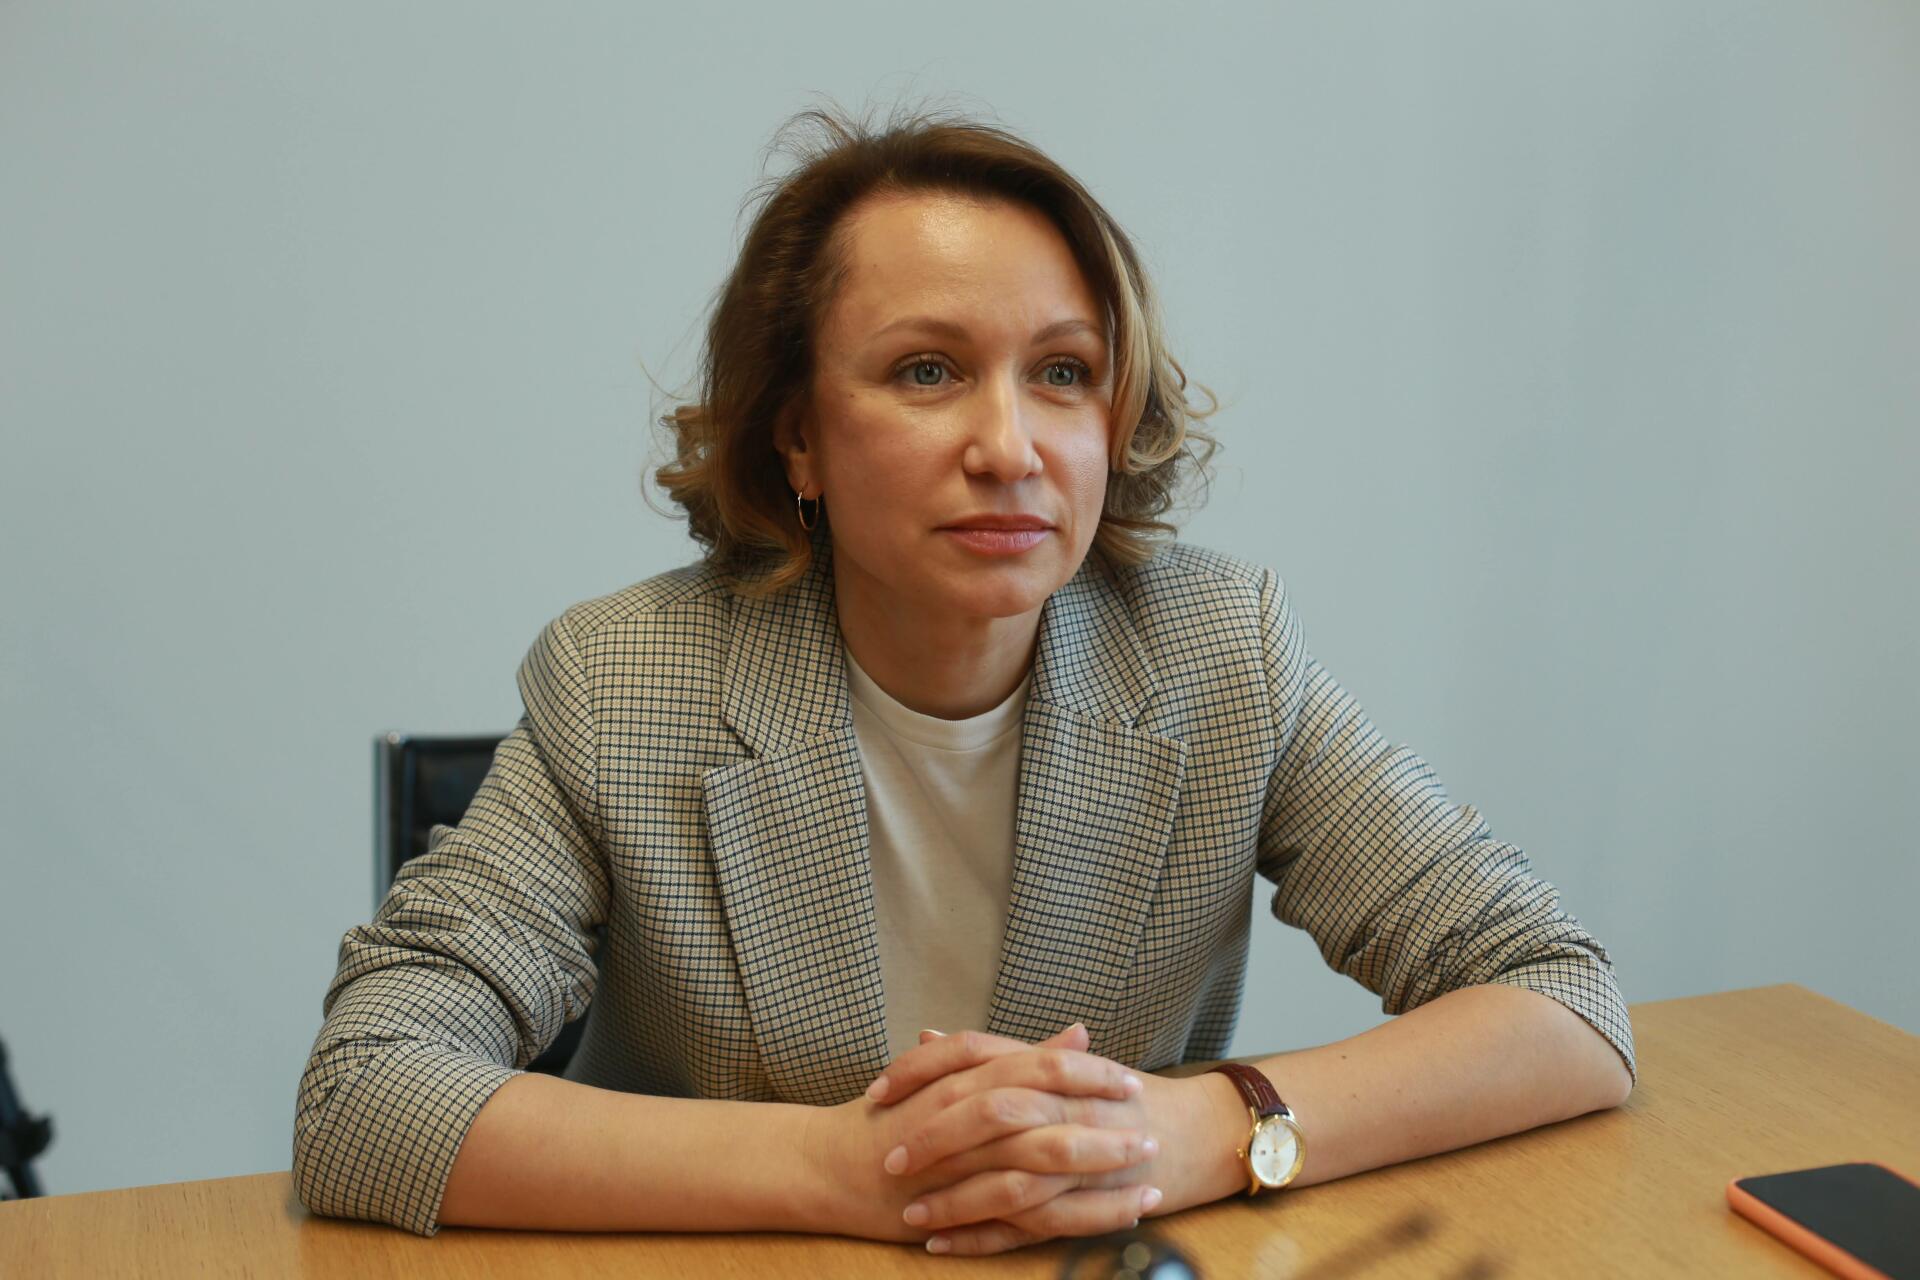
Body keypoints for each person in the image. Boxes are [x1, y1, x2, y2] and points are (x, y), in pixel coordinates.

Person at [292, 101, 1635, 1258]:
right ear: (800, 438)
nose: (1010, 447)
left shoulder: (1218, 652)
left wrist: (1201, 1130)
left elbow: (1560, 998)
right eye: (927, 371)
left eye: (1063, 374)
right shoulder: (624, 684)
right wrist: (839, 1168)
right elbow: (363, 1094)